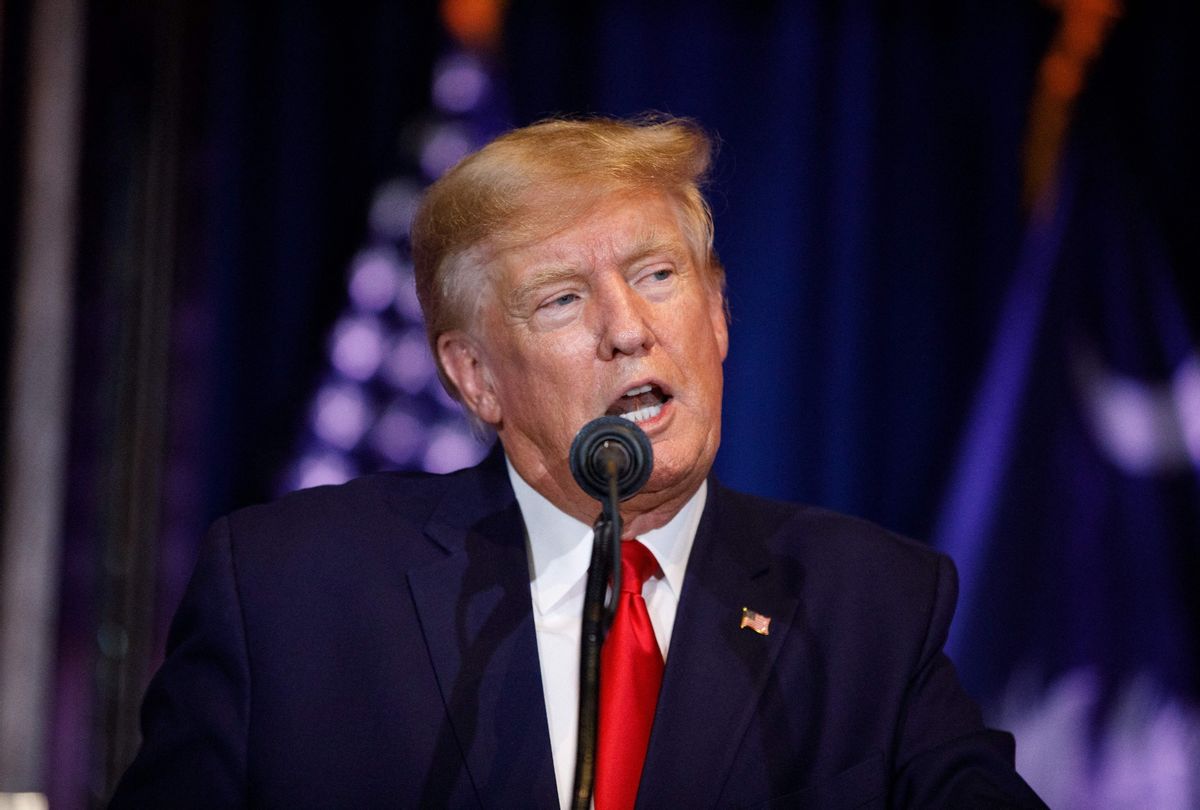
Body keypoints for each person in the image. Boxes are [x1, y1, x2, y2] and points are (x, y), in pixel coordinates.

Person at [111, 116, 1046, 808]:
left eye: (656, 275)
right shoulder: (292, 589)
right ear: (475, 378)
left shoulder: (865, 603)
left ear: (717, 315)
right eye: (560, 300)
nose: (628, 329)